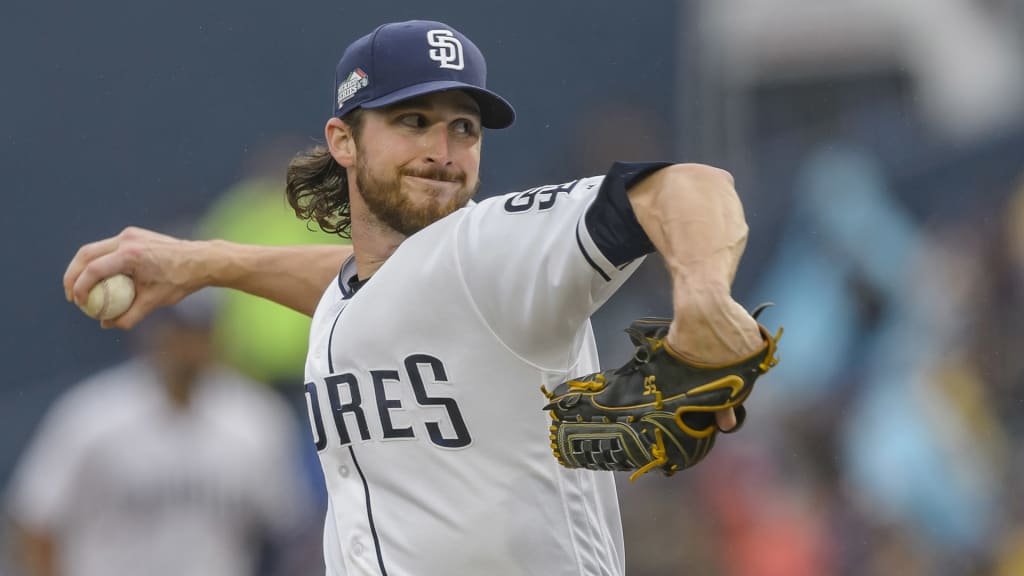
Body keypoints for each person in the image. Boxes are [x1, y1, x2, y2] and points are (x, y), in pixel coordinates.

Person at [63, 20, 766, 576]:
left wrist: (701, 294)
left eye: (464, 126)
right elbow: (363, 290)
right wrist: (205, 262)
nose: (444, 148)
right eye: (413, 121)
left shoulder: (495, 250)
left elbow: (690, 187)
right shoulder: (374, 291)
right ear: (343, 139)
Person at [6, 293, 312, 576]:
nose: (186, 344)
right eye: (177, 330)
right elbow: (35, 523)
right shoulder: (93, 415)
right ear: (152, 334)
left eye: (197, 331)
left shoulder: (257, 418)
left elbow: (286, 530)